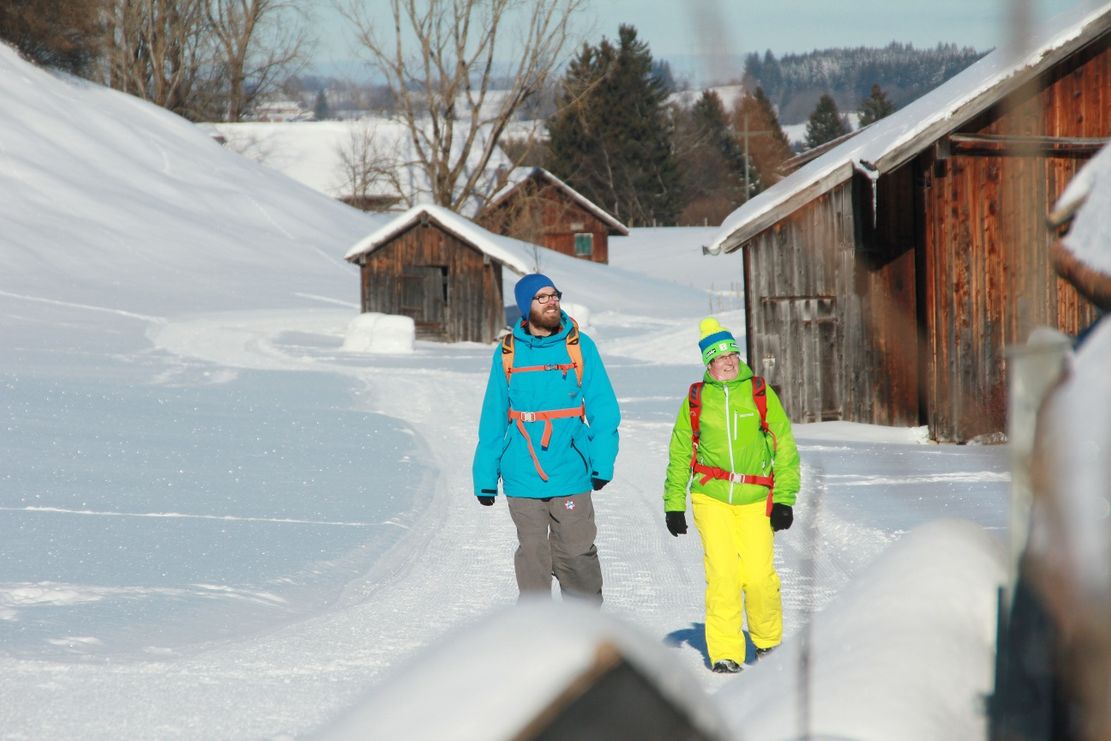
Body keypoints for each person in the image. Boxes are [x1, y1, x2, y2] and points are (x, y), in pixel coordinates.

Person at [473, 273, 620, 604]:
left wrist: (602, 460)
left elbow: (603, 408)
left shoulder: (579, 346)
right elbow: (493, 416)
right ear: (527, 307)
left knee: (577, 554)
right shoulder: (508, 353)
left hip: (571, 469)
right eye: (542, 297)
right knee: (533, 559)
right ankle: (536, 634)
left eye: (554, 295)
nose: (552, 301)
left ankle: (584, 633)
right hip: (521, 473)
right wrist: (485, 475)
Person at [663, 317, 800, 673]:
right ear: (708, 363)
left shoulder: (758, 392)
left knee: (757, 576)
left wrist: (784, 498)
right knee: (723, 575)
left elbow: (783, 446)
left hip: (756, 496)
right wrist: (674, 504)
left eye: (733, 354)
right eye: (720, 357)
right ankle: (725, 651)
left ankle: (768, 641)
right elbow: (681, 453)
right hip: (712, 497)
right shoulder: (697, 399)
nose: (729, 361)